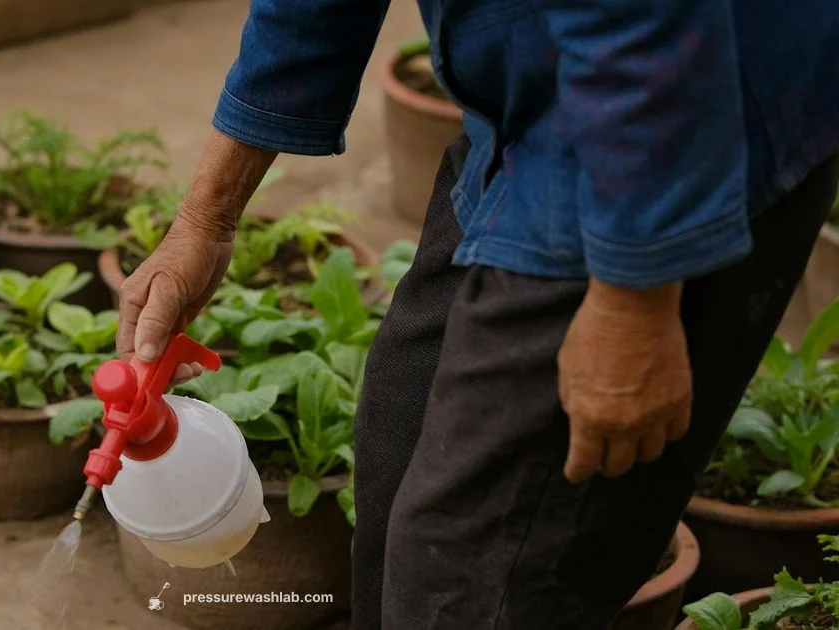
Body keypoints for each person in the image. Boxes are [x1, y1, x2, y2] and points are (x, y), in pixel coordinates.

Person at [115, 1, 839, 627]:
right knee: (400, 438)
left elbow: (643, 22)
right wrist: (206, 216)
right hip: (533, 92)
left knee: (472, 579)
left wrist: (635, 296)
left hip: (670, 126)